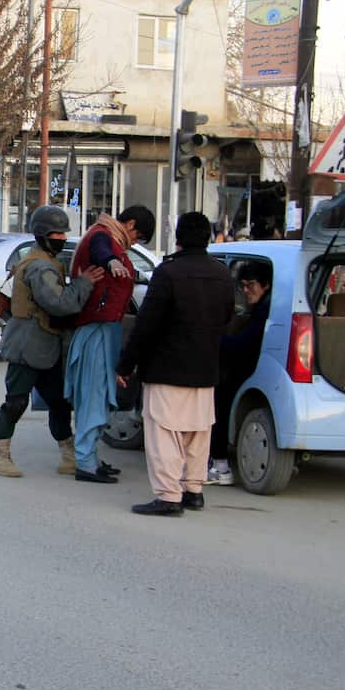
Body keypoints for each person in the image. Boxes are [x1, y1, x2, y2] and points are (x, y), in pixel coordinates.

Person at [116, 212, 233, 516]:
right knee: (198, 432)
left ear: (178, 238)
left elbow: (146, 325)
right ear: (208, 237)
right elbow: (227, 318)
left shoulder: (168, 274)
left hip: (166, 367)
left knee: (165, 434)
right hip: (206, 367)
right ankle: (194, 491)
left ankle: (169, 496)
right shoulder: (221, 274)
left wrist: (125, 364)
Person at [0, 205, 102, 478]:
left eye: (63, 233)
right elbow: (60, 303)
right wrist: (84, 283)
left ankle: (69, 456)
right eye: (55, 234)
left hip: (46, 346)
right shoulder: (39, 267)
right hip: (28, 346)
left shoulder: (44, 262)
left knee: (59, 403)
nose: (61, 239)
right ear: (41, 236)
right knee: (15, 402)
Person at [64, 205, 154, 484]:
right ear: (129, 224)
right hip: (96, 330)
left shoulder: (111, 240)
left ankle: (89, 457)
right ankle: (85, 463)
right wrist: (111, 262)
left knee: (99, 395)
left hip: (105, 328)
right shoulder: (102, 236)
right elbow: (102, 252)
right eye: (138, 236)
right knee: (93, 394)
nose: (136, 242)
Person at [208, 261, 272, 486]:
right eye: (243, 286)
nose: (246, 291)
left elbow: (246, 344)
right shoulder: (262, 308)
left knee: (220, 397)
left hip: (250, 370)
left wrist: (215, 341)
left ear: (266, 285)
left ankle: (219, 462)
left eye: (251, 285)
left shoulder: (265, 310)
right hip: (253, 367)